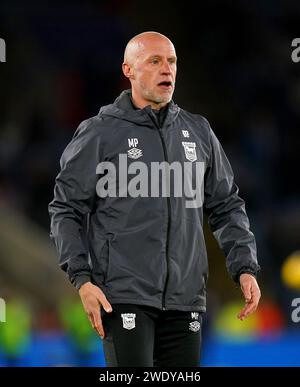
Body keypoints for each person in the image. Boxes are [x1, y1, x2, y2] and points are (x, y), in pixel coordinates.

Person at [48, 31, 261, 367]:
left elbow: (226, 205)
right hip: (122, 299)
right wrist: (82, 279)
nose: (167, 69)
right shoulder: (100, 133)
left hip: (186, 301)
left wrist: (245, 267)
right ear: (129, 70)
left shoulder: (198, 131)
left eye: (172, 61)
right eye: (155, 61)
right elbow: (66, 209)